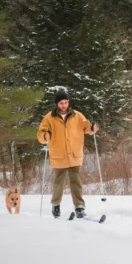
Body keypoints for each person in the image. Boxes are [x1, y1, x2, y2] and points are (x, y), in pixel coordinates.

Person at [37, 89, 99, 219]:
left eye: (65, 102)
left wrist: (93, 127)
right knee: (58, 182)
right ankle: (56, 205)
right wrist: (45, 135)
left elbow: (87, 127)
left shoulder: (77, 115)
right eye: (61, 103)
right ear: (57, 104)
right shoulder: (49, 118)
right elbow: (40, 136)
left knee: (76, 181)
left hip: (75, 154)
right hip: (59, 155)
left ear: (68, 102)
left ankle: (79, 207)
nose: (64, 105)